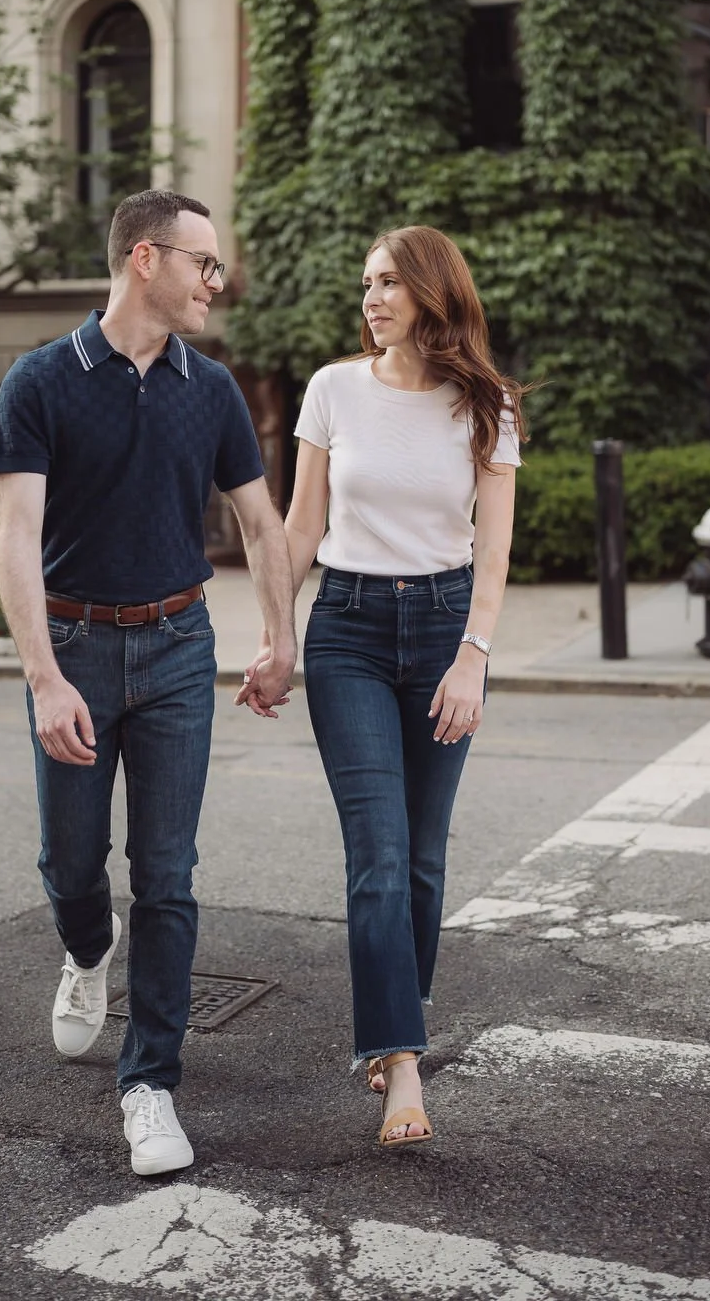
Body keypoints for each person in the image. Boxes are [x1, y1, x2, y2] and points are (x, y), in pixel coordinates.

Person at [0, 189, 296, 1178]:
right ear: (145, 261)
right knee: (72, 863)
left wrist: (278, 636)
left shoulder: (210, 390)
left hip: (175, 648)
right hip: (74, 648)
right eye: (203, 264)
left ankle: (150, 1082)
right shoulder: (39, 382)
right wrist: (43, 679)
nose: (217, 282)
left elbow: (259, 522)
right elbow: (16, 540)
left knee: (168, 875)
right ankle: (87, 951)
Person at [237, 224, 522, 1148]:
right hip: (351, 630)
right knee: (379, 855)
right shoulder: (331, 391)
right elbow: (300, 526)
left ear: (433, 293)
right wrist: (278, 638)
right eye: (365, 282)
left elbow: (495, 547)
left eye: (391, 281)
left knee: (426, 859)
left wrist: (475, 654)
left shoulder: (486, 406)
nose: (372, 297)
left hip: (444, 628)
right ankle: (400, 1060)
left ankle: (402, 1004)